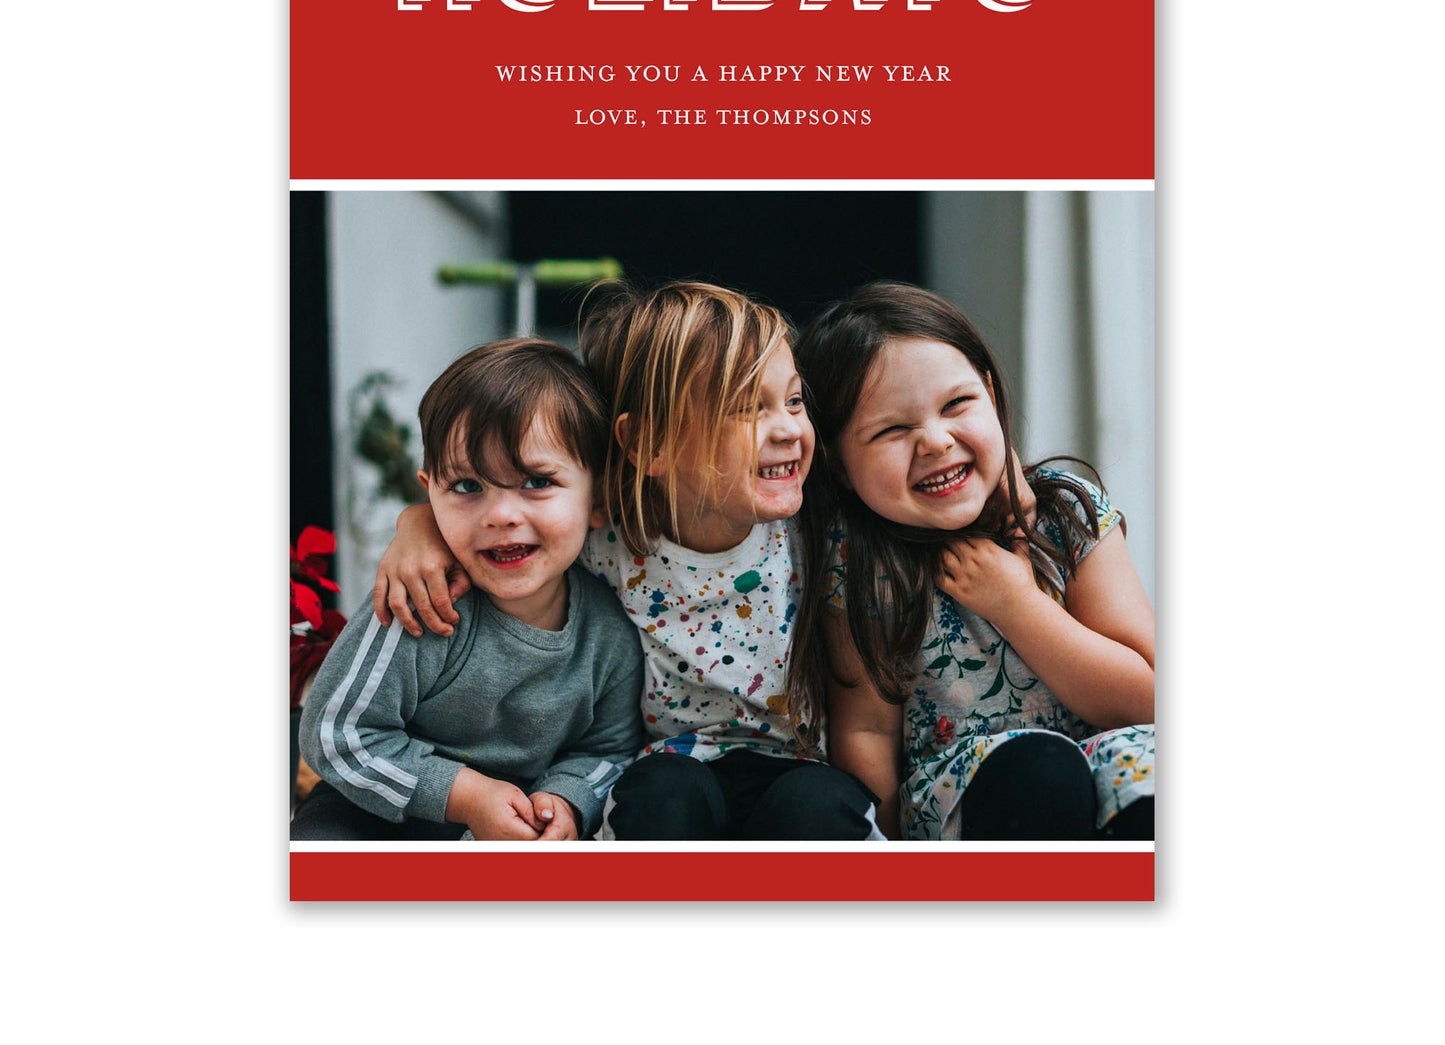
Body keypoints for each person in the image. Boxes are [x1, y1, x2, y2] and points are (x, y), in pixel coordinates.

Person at [372, 281, 883, 841]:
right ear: (649, 444)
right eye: (745, 408)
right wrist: (421, 525)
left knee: (825, 806)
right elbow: (513, 523)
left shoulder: (819, 529)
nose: (787, 428)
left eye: (793, 400)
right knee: (661, 797)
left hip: (801, 768)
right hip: (668, 770)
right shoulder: (610, 537)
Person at [790, 281, 1155, 841]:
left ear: (990, 393)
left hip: (1102, 753)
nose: (935, 440)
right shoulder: (858, 561)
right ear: (838, 464)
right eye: (892, 430)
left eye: (957, 404)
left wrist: (1019, 606)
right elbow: (866, 734)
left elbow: (1147, 699)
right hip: (967, 788)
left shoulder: (1065, 512)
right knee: (1039, 772)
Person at [291, 337, 643, 842]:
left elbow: (609, 750)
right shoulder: (419, 603)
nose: (500, 515)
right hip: (382, 806)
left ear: (599, 497)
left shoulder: (608, 634)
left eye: (537, 482)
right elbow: (335, 734)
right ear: (429, 489)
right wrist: (466, 796)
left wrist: (566, 799)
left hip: (521, 820)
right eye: (466, 487)